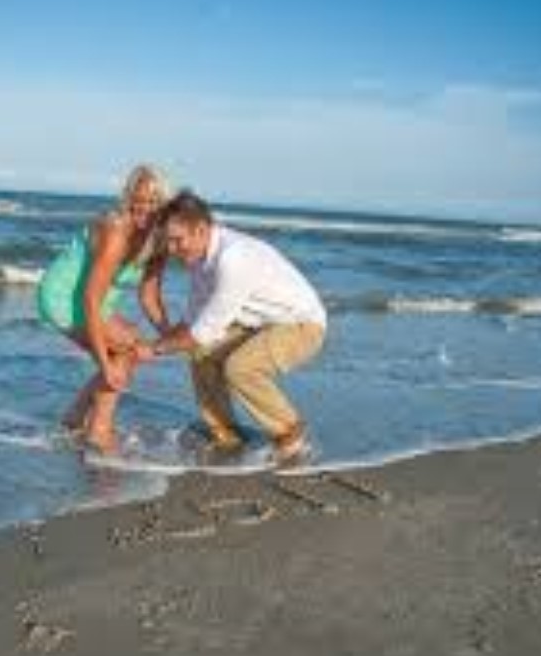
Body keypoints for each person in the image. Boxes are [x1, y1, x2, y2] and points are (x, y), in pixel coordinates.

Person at [142, 190, 326, 462]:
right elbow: (194, 323)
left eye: (177, 240)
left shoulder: (233, 258)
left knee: (240, 367)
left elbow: (204, 331)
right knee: (201, 354)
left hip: (302, 325)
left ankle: (291, 434)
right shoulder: (199, 260)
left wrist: (153, 350)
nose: (171, 250)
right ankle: (226, 435)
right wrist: (157, 343)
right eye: (167, 242)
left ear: (201, 229)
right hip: (261, 324)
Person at [35, 165, 169, 452]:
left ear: (164, 204)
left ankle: (74, 418)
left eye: (154, 201)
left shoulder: (160, 240)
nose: (145, 207)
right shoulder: (116, 230)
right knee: (122, 352)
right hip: (65, 295)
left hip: (99, 299)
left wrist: (172, 337)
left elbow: (149, 297)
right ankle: (98, 431)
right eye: (139, 198)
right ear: (128, 196)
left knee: (132, 343)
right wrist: (105, 364)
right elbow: (90, 300)